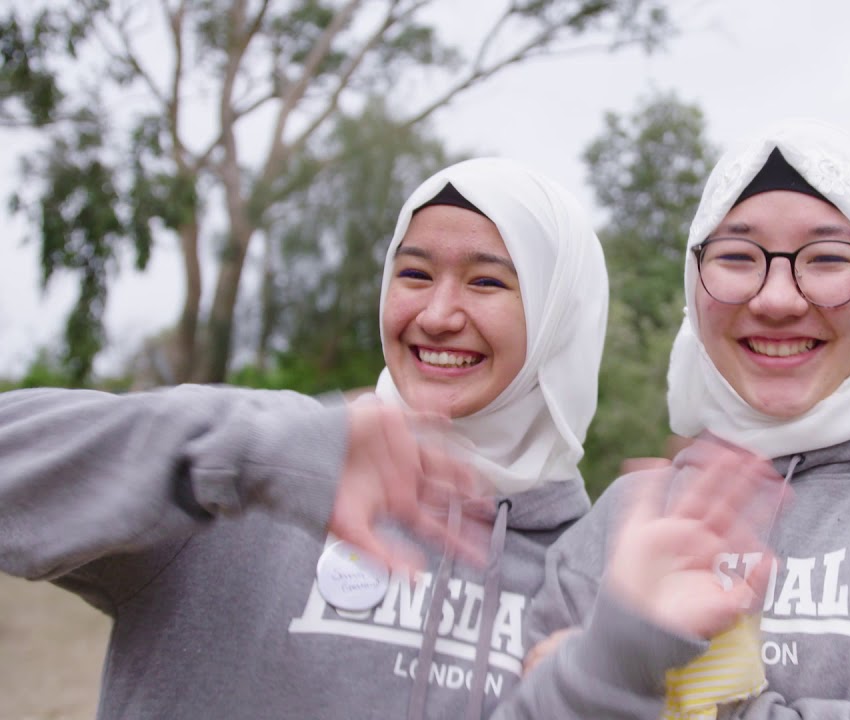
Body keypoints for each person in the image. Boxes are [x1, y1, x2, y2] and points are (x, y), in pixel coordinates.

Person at [0, 157, 613, 719]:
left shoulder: (594, 571)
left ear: (560, 318)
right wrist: (251, 454)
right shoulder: (244, 477)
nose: (436, 314)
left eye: (486, 283)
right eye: (415, 274)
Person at [495, 119, 850, 719]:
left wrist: (657, 684)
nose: (777, 299)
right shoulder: (627, 514)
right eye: (737, 256)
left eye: (828, 258)